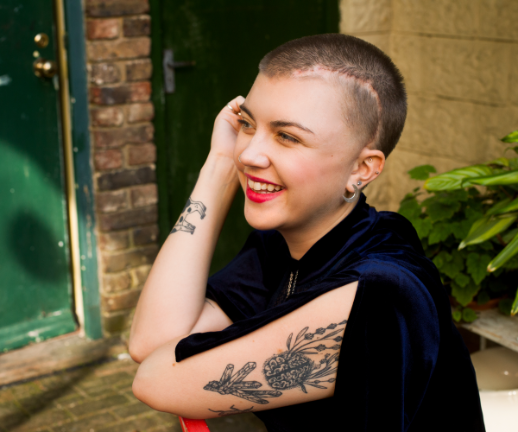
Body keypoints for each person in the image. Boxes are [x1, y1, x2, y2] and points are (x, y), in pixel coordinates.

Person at [129, 34, 485, 431]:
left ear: (362, 169)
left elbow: (157, 380)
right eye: (248, 124)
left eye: (287, 136)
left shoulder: (379, 292)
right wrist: (219, 166)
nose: (248, 154)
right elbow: (151, 343)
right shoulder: (283, 245)